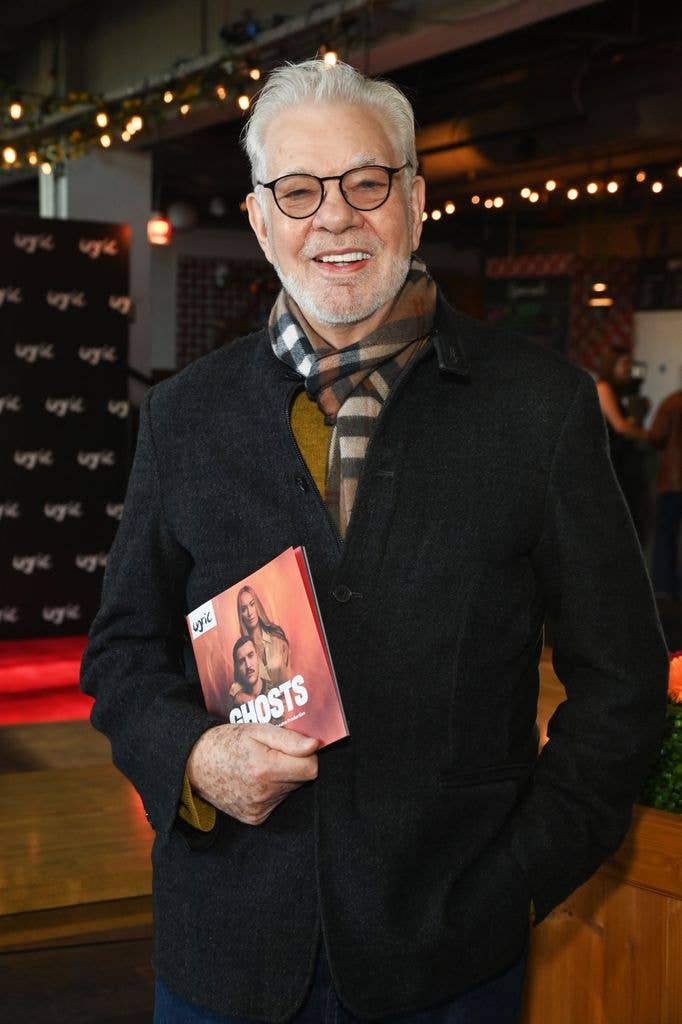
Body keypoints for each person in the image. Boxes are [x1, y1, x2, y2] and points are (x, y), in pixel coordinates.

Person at [81, 59, 668, 1024]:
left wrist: (517, 882)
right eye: (299, 191)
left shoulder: (539, 408)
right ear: (262, 218)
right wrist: (192, 757)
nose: (336, 218)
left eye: (367, 182)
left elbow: (622, 683)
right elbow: (121, 649)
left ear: (415, 199)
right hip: (223, 949)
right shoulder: (185, 416)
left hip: (449, 960)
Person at [596, 346, 648, 536]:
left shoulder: (620, 391)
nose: (628, 369)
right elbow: (620, 426)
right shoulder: (603, 387)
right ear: (612, 365)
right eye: (625, 364)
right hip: (614, 460)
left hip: (621, 458)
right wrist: (648, 436)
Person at [648, 388, 682, 600]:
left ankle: (664, 586)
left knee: (666, 534)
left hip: (673, 480)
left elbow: (656, 436)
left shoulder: (672, 402)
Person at [236, 584, 290, 684]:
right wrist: (235, 693)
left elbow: (290, 673)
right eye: (244, 609)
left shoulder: (277, 637)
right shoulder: (242, 652)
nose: (249, 612)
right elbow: (238, 682)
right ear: (241, 616)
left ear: (257, 606)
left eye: (252, 604)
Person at [228, 635, 268, 708]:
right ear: (237, 668)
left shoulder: (275, 691)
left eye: (251, 655)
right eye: (241, 661)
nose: (248, 665)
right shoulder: (236, 703)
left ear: (258, 657)